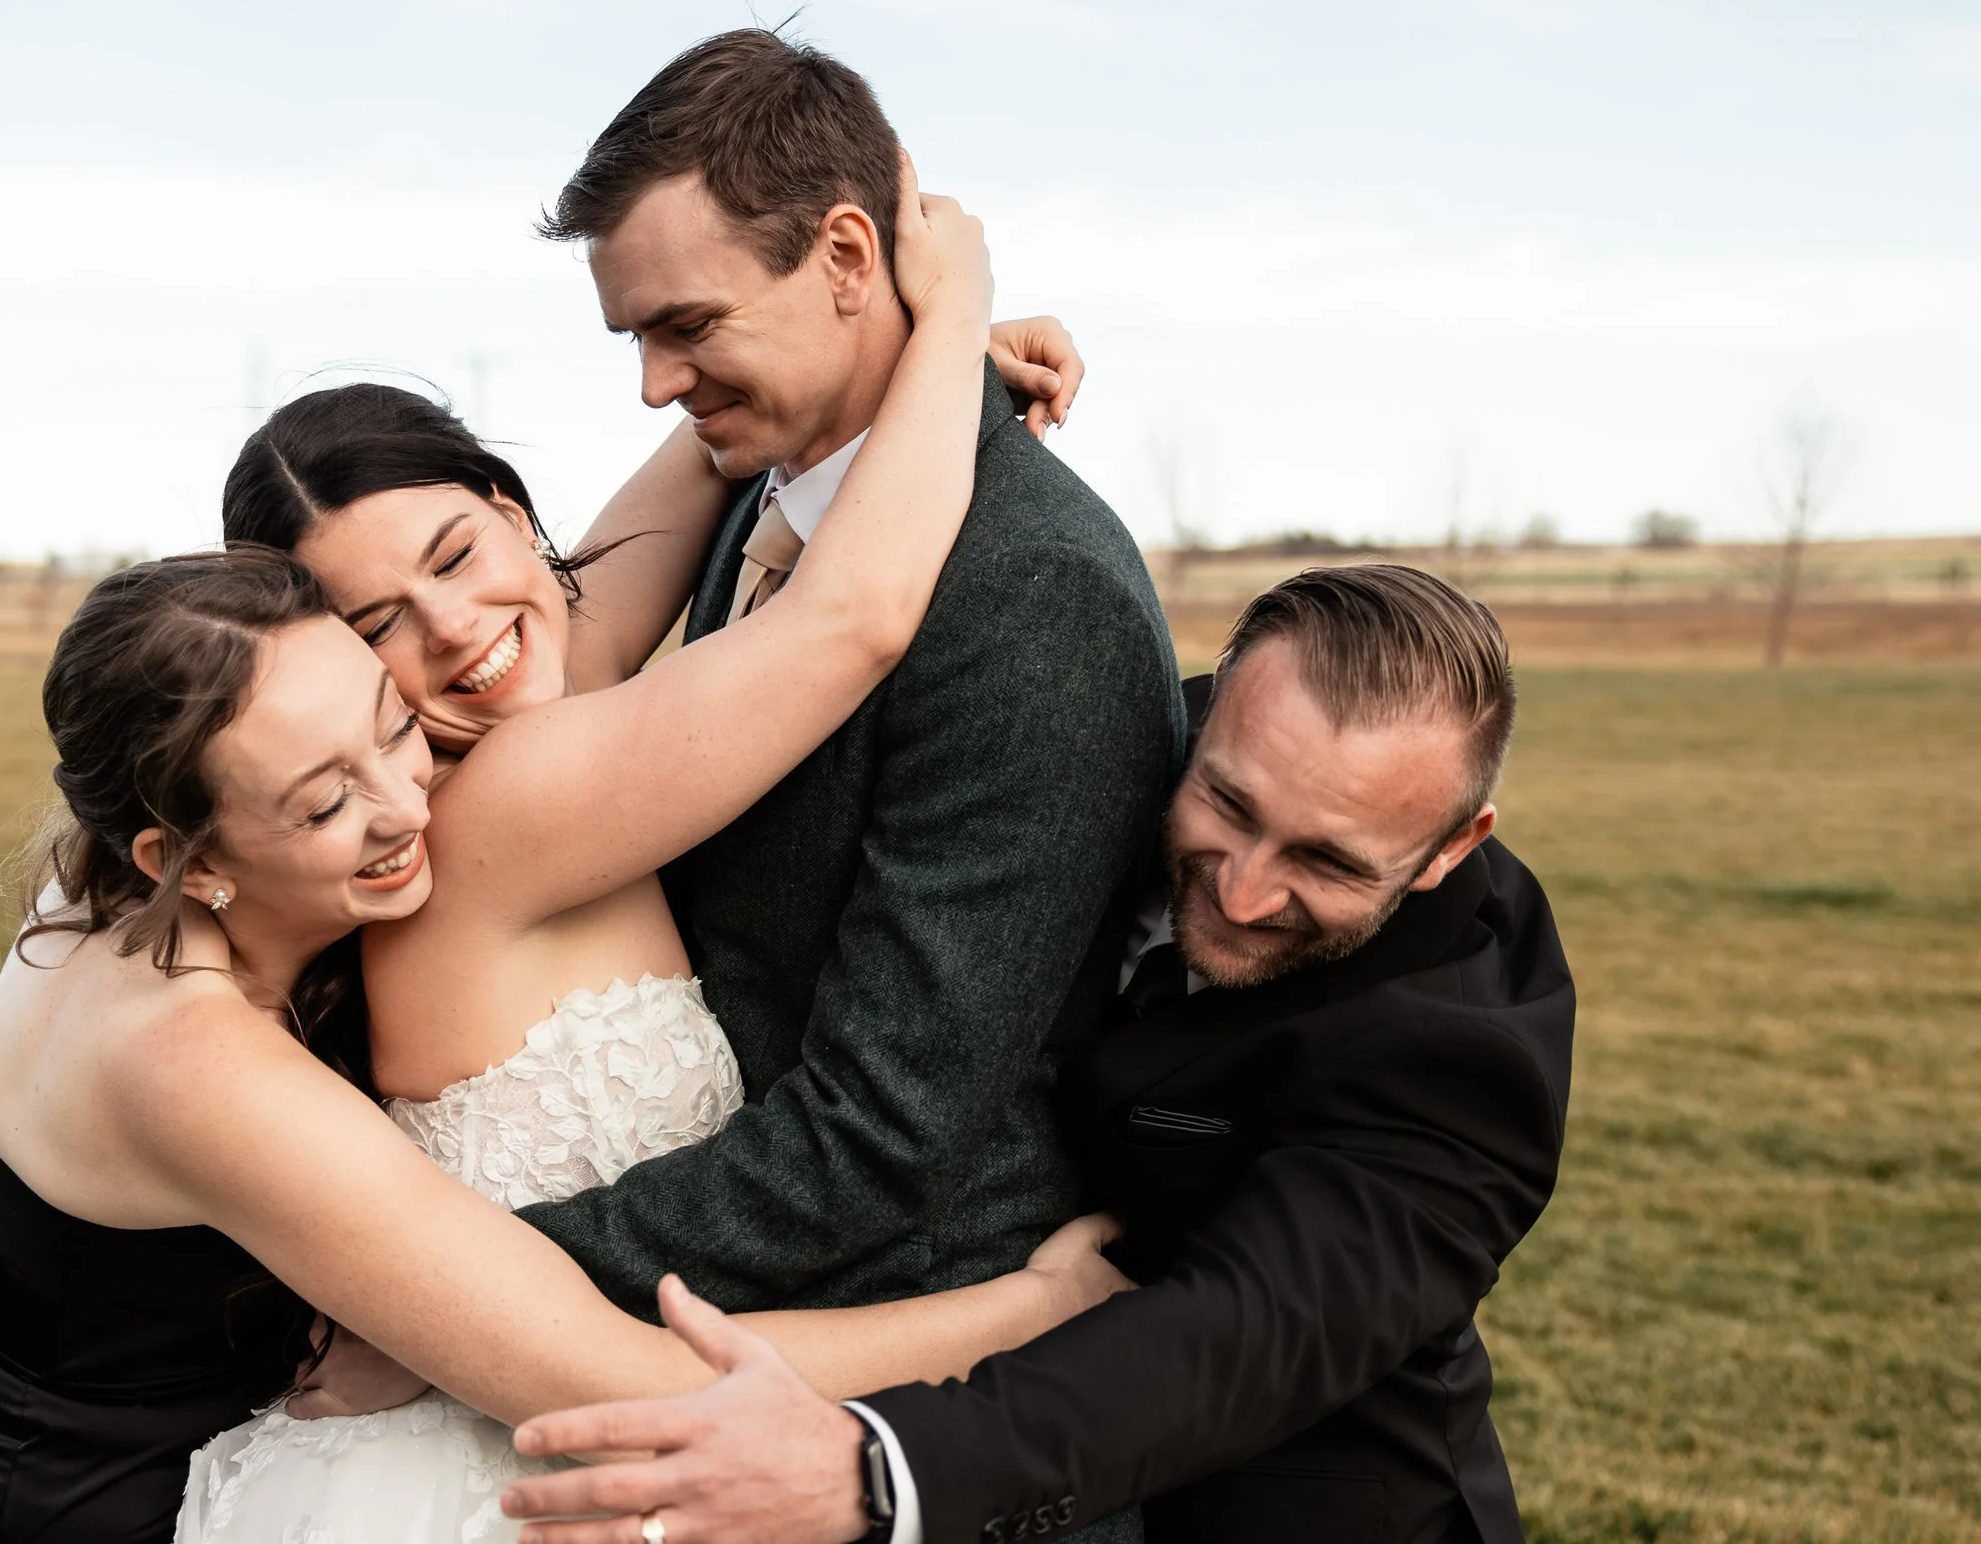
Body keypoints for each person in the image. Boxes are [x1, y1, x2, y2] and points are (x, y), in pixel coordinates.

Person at [0, 179, 1125, 1544]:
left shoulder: (142, 862)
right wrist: (1045, 1316)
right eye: (327, 783)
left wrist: (862, 364)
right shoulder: (214, 1026)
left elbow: (590, 582)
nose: (406, 784)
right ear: (194, 847)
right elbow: (846, 622)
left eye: (392, 725)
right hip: (64, 1505)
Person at [500, 564, 1578, 1544]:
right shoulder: (1110, 738)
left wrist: (875, 1469)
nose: (1244, 890)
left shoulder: (1461, 1060)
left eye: (1326, 862)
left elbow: (1232, 1337)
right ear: (1208, 709)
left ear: (1451, 845)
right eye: (1227, 803)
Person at [489, 31, 1182, 1492]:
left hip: (889, 1395)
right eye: (630, 337)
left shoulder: (1032, 587)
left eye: (685, 323)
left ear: (850, 253)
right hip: (714, 1347)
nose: (653, 382)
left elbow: (883, 1128)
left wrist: (479, 1278)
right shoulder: (769, 490)